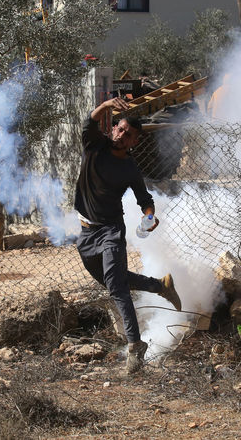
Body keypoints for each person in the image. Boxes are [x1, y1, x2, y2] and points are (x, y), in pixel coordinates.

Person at [74, 96, 182, 374]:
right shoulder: (94, 146)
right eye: (119, 129)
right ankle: (160, 286)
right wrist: (107, 105)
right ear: (113, 129)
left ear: (134, 142)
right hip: (86, 231)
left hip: (111, 230)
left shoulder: (129, 168)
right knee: (110, 280)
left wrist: (149, 215)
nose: (121, 135)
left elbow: (144, 198)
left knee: (117, 287)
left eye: (128, 135)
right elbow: (90, 120)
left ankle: (136, 347)